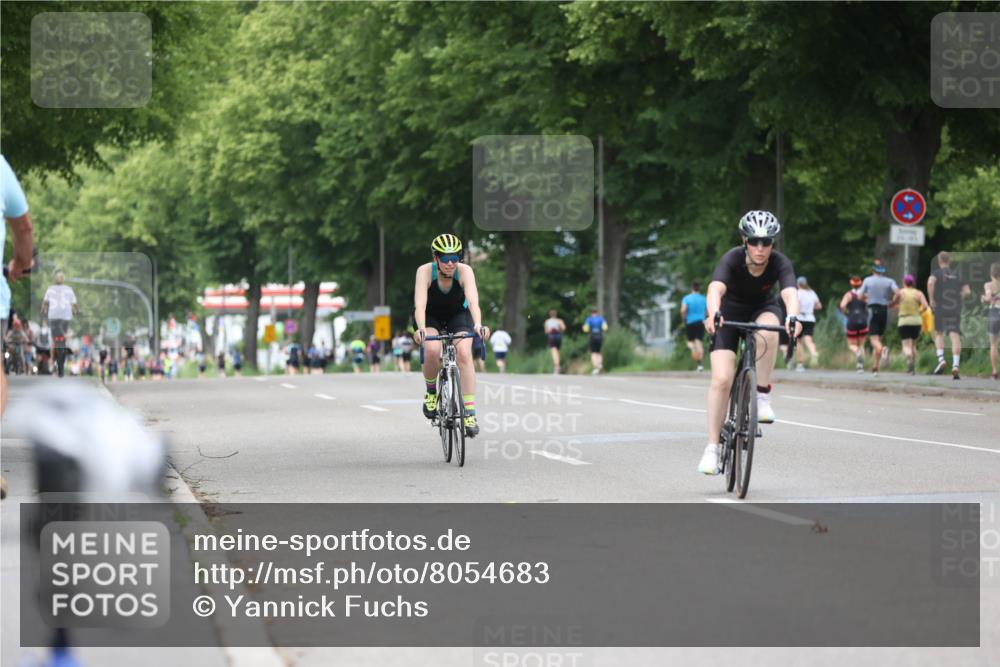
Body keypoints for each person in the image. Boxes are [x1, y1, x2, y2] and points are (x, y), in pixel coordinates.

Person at [699, 211, 800, 475]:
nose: (760, 248)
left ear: (772, 244)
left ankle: (762, 395)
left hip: (762, 309)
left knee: (768, 330)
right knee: (721, 379)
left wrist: (793, 316)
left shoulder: (779, 262)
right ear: (745, 241)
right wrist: (713, 313)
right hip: (728, 314)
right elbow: (715, 288)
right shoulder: (732, 258)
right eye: (754, 241)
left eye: (766, 242)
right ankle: (711, 448)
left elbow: (789, 292)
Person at [413, 233, 490, 437]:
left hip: (458, 314)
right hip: (430, 316)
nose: (450, 264)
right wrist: (421, 328)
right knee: (432, 349)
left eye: (455, 258)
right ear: (436, 258)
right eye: (445, 259)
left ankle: (470, 413)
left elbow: (473, 302)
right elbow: (420, 305)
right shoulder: (425, 271)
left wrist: (479, 325)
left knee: (464, 353)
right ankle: (431, 392)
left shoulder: (465, 271)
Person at [928, 251, 971, 380]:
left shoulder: (936, 273)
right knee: (955, 335)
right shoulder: (957, 274)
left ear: (939, 260)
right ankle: (956, 365)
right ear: (949, 260)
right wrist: (959, 298)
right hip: (954, 308)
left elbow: (930, 282)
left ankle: (941, 359)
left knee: (939, 333)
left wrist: (931, 299)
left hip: (940, 307)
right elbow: (967, 291)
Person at [859, 259, 898, 377]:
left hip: (872, 310)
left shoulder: (867, 280)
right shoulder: (889, 281)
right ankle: (875, 368)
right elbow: (899, 293)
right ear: (882, 271)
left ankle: (883, 351)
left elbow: (860, 295)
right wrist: (892, 303)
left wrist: (867, 299)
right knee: (878, 340)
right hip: (884, 310)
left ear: (873, 270)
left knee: (873, 340)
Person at [891, 274, 930, 375]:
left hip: (904, 321)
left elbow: (893, 303)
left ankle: (909, 358)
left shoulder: (900, 293)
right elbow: (925, 306)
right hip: (916, 321)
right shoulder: (918, 293)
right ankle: (912, 367)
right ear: (913, 283)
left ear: (904, 282)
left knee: (906, 345)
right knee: (913, 345)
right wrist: (919, 312)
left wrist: (898, 307)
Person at [840, 275, 869, 372]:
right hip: (863, 321)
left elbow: (842, 305)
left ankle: (857, 353)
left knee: (852, 344)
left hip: (852, 320)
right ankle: (860, 366)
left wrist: (846, 312)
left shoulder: (849, 295)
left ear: (851, 284)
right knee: (862, 344)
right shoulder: (864, 295)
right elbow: (869, 303)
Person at [794, 276, 822, 371]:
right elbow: (819, 306)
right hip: (810, 318)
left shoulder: (797, 293)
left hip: (799, 318)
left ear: (798, 284)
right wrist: (809, 307)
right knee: (808, 340)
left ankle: (800, 363)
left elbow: (795, 305)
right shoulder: (812, 293)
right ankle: (814, 353)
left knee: (798, 341)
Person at [680, 283, 708, 371]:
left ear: (692, 288)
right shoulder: (703, 299)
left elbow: (683, 310)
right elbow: (707, 312)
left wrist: (684, 319)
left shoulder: (687, 298)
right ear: (699, 289)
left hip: (690, 322)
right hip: (701, 322)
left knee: (689, 342)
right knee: (699, 342)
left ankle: (693, 349)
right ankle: (700, 365)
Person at [983, 262, 1000, 381]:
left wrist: (983, 299)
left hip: (994, 313)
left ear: (991, 274)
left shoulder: (988, 285)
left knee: (993, 344)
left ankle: (994, 372)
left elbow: (988, 298)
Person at [544, 309, 566, 374]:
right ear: (556, 315)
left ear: (550, 315)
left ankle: (556, 367)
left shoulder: (547, 321)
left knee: (554, 351)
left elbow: (546, 331)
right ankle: (558, 365)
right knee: (558, 351)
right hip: (558, 336)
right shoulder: (559, 321)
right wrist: (559, 330)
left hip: (551, 336)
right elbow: (564, 328)